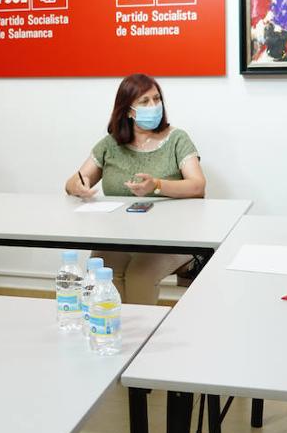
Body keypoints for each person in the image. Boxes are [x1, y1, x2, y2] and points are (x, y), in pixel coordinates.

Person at [65, 73, 206, 305]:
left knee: (139, 276)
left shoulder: (177, 139)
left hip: (172, 236)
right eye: (144, 101)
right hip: (120, 236)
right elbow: (74, 181)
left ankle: (143, 338)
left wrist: (157, 186)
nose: (154, 106)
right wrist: (78, 187)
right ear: (128, 110)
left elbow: (198, 185)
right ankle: (114, 332)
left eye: (156, 99)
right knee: (103, 274)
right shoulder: (110, 145)